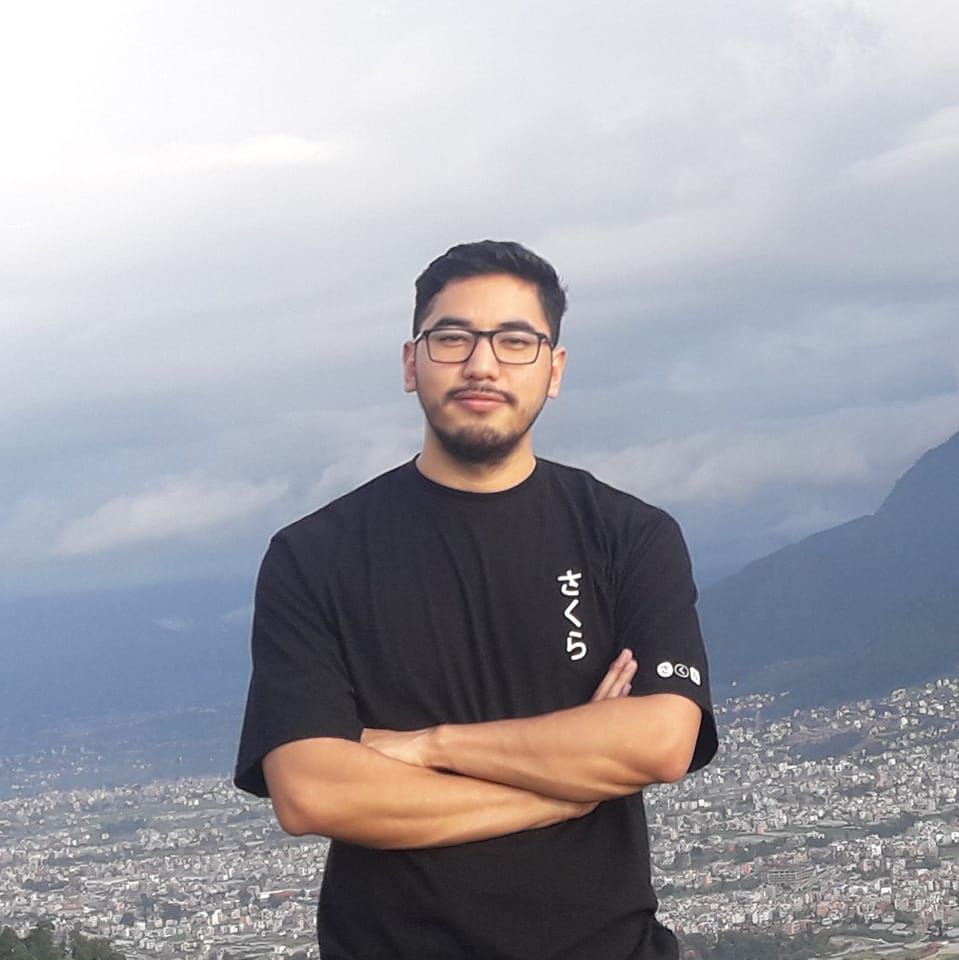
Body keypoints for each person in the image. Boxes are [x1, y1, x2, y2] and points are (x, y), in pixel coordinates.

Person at [235, 240, 718, 959]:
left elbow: (661, 741)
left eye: (515, 341)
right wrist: (563, 789)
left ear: (554, 369)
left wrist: (429, 746)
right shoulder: (314, 555)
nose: (482, 364)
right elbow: (313, 793)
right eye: (452, 338)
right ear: (411, 364)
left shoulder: (627, 536)